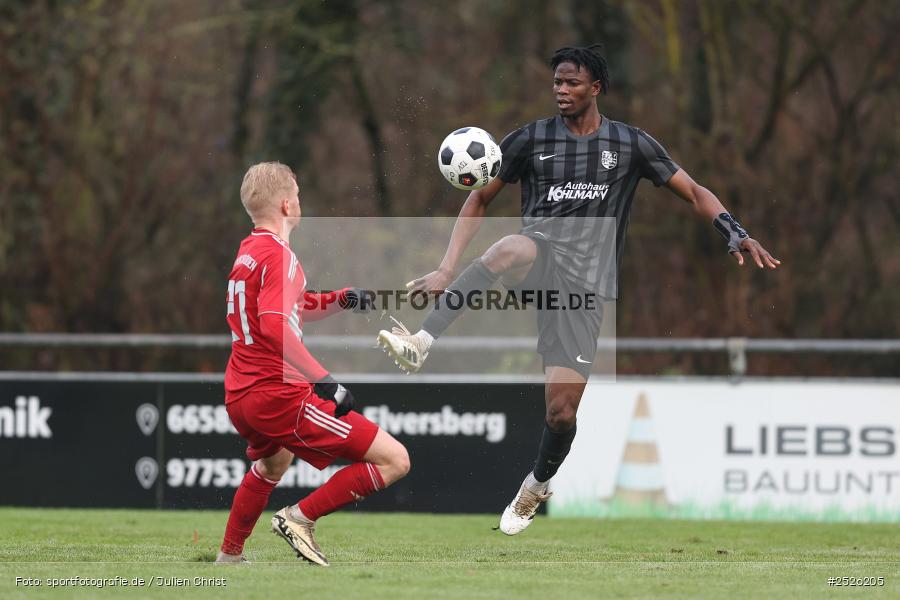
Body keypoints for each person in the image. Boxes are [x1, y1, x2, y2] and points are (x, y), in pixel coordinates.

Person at [376, 45, 779, 535]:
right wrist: (445, 268)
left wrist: (733, 230)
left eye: (571, 83)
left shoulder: (630, 144)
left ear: (596, 88)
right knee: (508, 248)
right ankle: (422, 342)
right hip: (541, 262)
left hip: (585, 291)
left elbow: (694, 191)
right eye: (556, 83)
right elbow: (479, 198)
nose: (561, 91)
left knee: (561, 413)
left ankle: (537, 483)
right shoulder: (529, 140)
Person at [218, 162, 410, 566]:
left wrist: (340, 298)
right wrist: (323, 380)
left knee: (275, 461)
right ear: (287, 205)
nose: (301, 202)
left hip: (240, 394)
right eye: (299, 196)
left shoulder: (250, 250)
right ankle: (299, 518)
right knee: (395, 460)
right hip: (276, 394)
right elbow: (273, 325)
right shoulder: (280, 256)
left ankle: (229, 556)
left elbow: (290, 308)